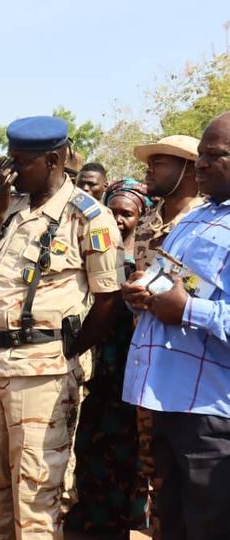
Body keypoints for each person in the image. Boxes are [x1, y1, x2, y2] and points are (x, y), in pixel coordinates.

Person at [0, 116, 122, 537]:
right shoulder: (11, 209)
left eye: (20, 163)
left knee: (35, 493)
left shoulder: (89, 217)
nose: (9, 173)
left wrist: (68, 352)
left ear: (53, 160)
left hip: (43, 372)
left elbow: (109, 300)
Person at [122, 112, 230, 540]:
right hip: (163, 402)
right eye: (200, 155)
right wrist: (144, 297)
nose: (200, 164)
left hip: (209, 416)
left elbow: (187, 304)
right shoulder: (192, 218)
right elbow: (174, 285)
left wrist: (185, 310)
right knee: (173, 525)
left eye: (214, 155)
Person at [65, 178, 154, 537]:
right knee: (88, 453)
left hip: (133, 386)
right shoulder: (97, 257)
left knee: (127, 466)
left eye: (127, 214)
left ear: (141, 217)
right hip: (101, 379)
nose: (118, 219)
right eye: (112, 211)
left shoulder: (145, 265)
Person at [128, 133, 201, 540]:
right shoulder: (148, 222)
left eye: (160, 163)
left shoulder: (204, 223)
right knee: (156, 471)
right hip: (147, 364)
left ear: (187, 170)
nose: (149, 169)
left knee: (193, 483)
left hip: (190, 373)